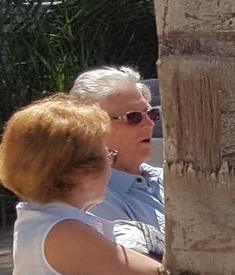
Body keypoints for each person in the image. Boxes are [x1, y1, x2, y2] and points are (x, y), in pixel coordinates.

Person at [0, 96, 163, 275]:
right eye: (108, 154)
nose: (110, 163)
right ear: (81, 169)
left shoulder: (36, 217)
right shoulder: (67, 234)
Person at [67, 66, 164, 249]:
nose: (149, 123)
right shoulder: (93, 199)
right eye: (133, 117)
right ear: (92, 127)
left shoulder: (168, 178)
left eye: (152, 113)